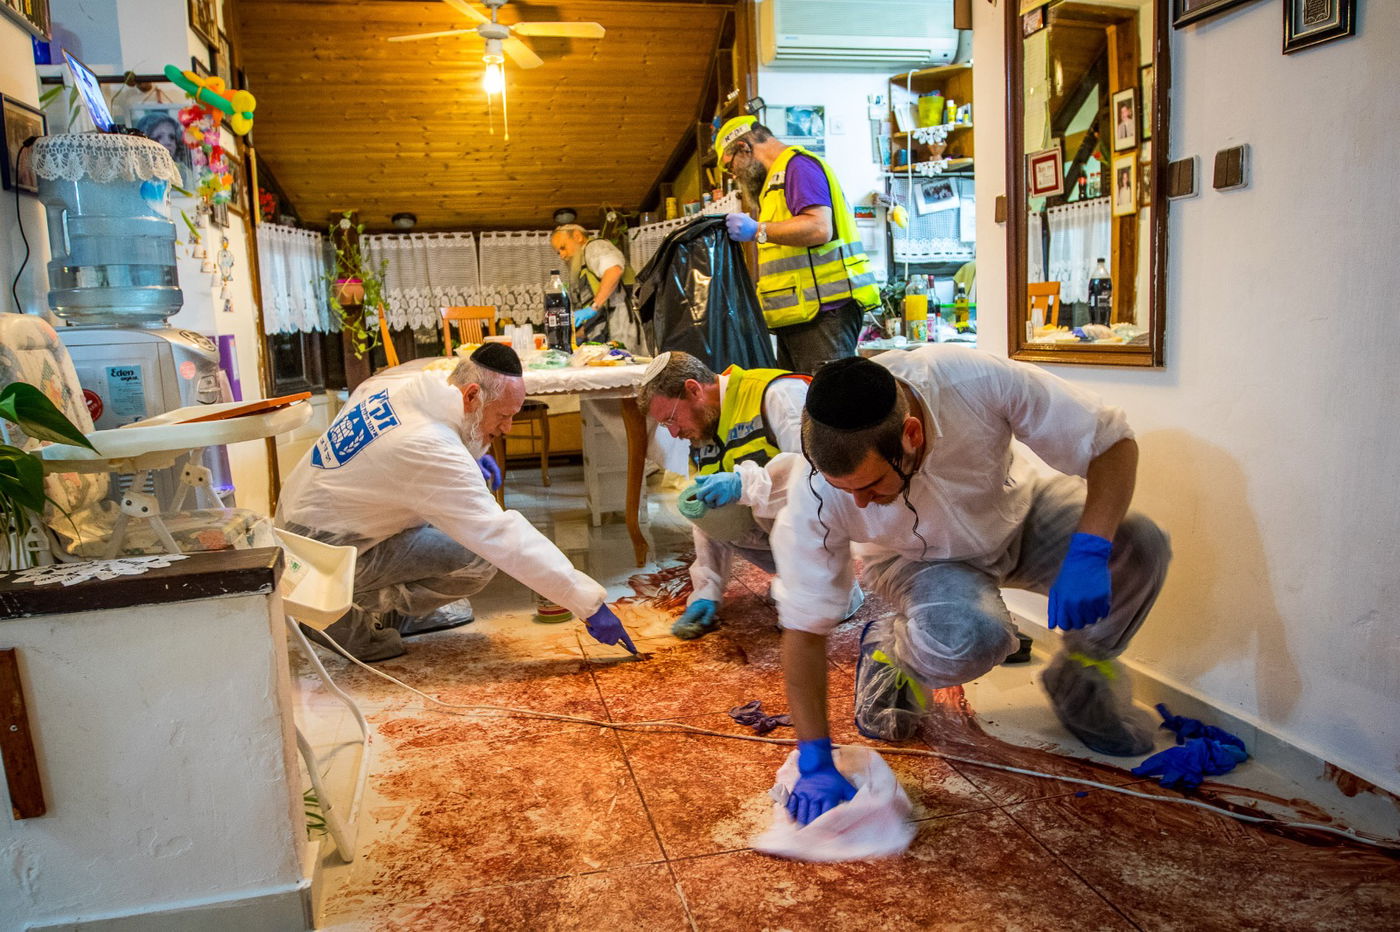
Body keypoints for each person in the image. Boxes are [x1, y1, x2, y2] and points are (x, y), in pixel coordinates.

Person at [770, 346, 1171, 824]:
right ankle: (894, 650)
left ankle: (1079, 678)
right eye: (844, 489)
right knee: (970, 636)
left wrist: (1090, 549)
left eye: (871, 485)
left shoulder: (971, 380)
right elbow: (803, 627)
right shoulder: (815, 493)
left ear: (911, 435)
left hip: (1017, 517)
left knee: (1138, 545)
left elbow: (1111, 442)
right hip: (911, 558)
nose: (858, 504)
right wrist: (814, 755)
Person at [277, 344, 637, 662]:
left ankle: (385, 611)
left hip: (302, 520)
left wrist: (469, 450)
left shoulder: (398, 385)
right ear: (471, 396)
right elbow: (502, 537)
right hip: (318, 555)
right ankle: (336, 619)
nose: (508, 428)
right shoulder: (427, 446)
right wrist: (587, 604)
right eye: (503, 416)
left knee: (460, 541)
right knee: (479, 558)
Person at [638, 350, 860, 639]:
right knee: (707, 505)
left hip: (834, 519)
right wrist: (707, 588)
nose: (674, 433)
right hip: (781, 531)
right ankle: (798, 579)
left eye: (671, 419)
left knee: (776, 498)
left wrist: (747, 484)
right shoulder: (702, 428)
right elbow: (709, 517)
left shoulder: (777, 395)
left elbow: (820, 475)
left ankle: (835, 588)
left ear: (693, 389)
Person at [714, 115, 881, 375]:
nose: (733, 175)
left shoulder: (798, 166)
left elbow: (819, 228)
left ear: (744, 147)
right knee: (802, 403)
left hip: (825, 310)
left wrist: (757, 230)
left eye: (729, 166)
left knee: (830, 405)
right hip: (801, 313)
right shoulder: (774, 181)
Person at [549, 224, 648, 352]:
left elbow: (614, 270)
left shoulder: (596, 247)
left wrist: (593, 307)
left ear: (577, 236)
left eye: (563, 248)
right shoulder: (584, 262)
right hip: (610, 335)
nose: (562, 255)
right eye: (558, 252)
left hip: (624, 329)